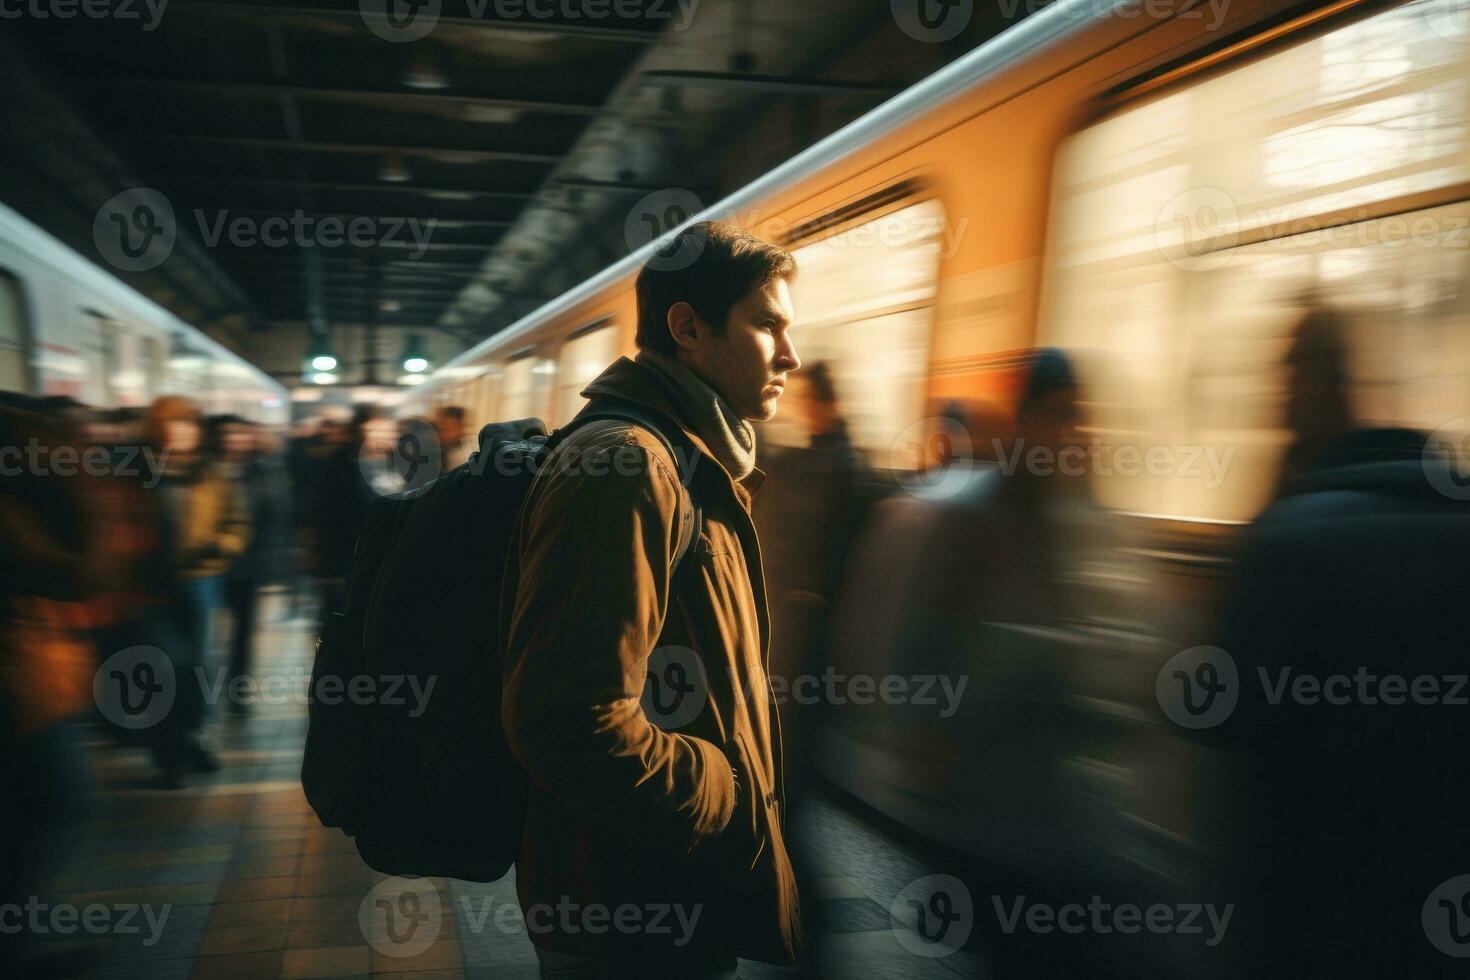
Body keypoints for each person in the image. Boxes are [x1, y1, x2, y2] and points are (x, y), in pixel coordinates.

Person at [501, 221, 803, 978]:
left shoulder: (687, 459)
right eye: (768, 324)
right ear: (688, 328)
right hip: (626, 908)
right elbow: (565, 716)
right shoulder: (629, 466)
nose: (790, 355)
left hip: (659, 884)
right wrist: (725, 796)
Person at [1209, 311, 1470, 976]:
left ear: (1318, 379)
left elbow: (1217, 709)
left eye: (1288, 368)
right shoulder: (1450, 521)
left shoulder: (1291, 534)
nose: (1278, 388)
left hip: (1301, 888)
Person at [141, 397, 250, 784]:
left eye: (188, 424)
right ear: (158, 429)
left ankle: (201, 742)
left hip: (201, 581)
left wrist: (221, 547)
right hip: (151, 588)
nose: (182, 431)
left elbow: (237, 522)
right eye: (173, 424)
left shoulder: (214, 474)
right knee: (163, 667)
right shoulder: (138, 473)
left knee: (202, 666)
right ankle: (171, 755)